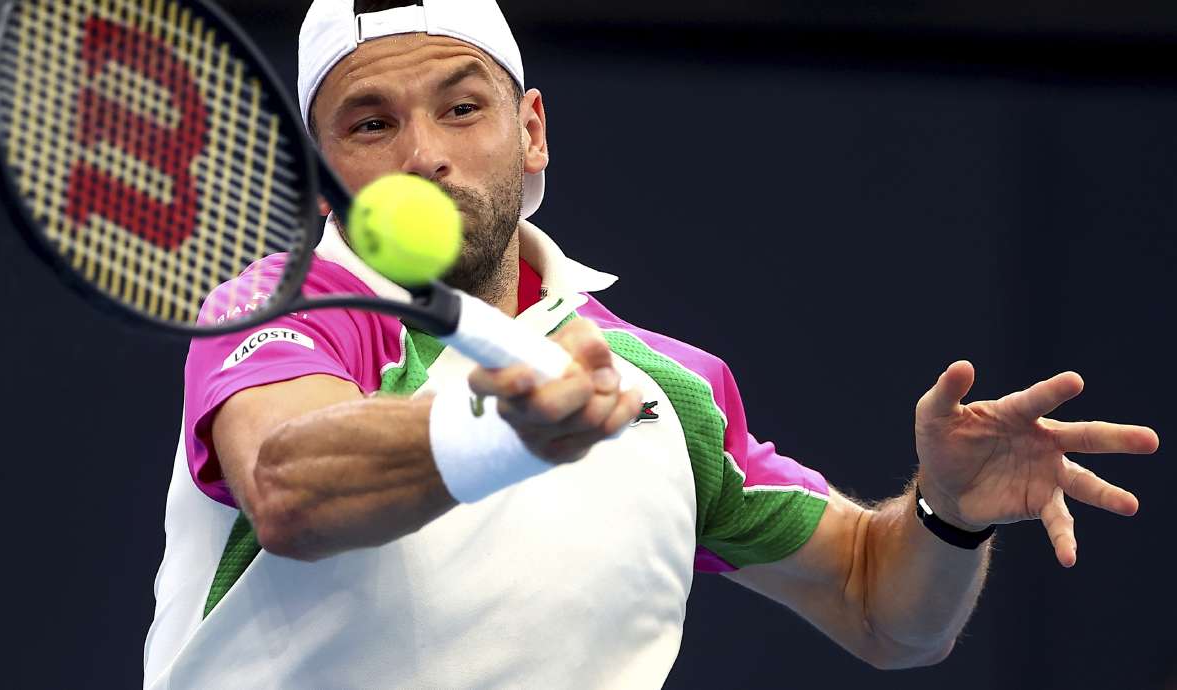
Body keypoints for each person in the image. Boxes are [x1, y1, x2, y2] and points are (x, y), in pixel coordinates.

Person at [142, 1, 1160, 687]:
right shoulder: (287, 306)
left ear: (530, 130)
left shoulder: (667, 387)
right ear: (327, 173)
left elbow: (875, 602)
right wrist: (502, 429)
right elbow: (287, 486)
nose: (426, 155)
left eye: (462, 107)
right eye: (371, 124)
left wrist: (943, 515)